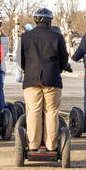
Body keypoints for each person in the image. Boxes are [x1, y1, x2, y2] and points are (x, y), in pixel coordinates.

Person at [19, 8, 69, 152]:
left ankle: (33, 144)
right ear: (50, 20)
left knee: (33, 111)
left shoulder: (25, 37)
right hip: (52, 77)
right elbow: (64, 60)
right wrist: (58, 69)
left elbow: (21, 60)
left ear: (35, 20)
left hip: (31, 79)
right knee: (51, 111)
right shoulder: (57, 37)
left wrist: (27, 70)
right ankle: (51, 145)